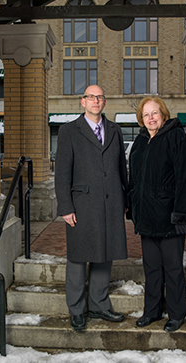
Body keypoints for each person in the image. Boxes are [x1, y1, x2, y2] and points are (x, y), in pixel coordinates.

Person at [54, 85, 129, 331]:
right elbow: (62, 172)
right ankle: (76, 309)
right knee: (78, 257)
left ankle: (99, 305)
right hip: (81, 204)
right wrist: (65, 206)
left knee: (104, 255)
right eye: (90, 97)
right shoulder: (68, 131)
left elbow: (121, 169)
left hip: (110, 203)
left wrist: (125, 201)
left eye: (99, 97)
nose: (95, 100)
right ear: (83, 102)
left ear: (104, 102)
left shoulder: (115, 130)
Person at [127, 96, 186, 332]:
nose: (150, 118)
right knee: (152, 268)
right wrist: (132, 206)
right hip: (147, 218)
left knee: (173, 268)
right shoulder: (140, 142)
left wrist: (181, 214)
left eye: (154, 113)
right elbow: (134, 180)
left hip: (169, 218)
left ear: (163, 115)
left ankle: (177, 314)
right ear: (141, 119)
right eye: (146, 115)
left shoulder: (176, 137)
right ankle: (152, 311)